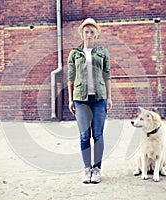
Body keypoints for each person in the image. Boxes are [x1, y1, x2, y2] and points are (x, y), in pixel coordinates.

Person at [67, 18, 112, 184]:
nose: (89, 34)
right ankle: (87, 169)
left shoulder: (103, 53)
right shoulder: (74, 54)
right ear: (82, 33)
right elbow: (70, 78)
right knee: (84, 135)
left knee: (98, 135)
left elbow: (107, 76)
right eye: (86, 31)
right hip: (80, 99)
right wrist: (71, 99)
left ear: (96, 34)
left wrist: (109, 97)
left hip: (99, 98)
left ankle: (97, 169)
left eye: (92, 31)